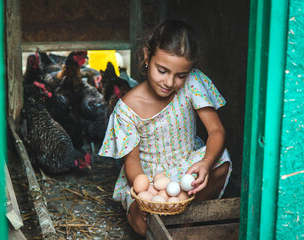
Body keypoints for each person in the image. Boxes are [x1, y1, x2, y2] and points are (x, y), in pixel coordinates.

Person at [98, 19, 232, 236]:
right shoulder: (127, 108)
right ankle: (146, 215)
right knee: (143, 223)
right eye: (162, 70)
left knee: (221, 161)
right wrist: (145, 194)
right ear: (147, 56)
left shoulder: (193, 84)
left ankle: (186, 222)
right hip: (148, 176)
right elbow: (132, 164)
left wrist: (205, 163)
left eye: (180, 75)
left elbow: (216, 131)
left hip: (186, 164)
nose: (170, 82)